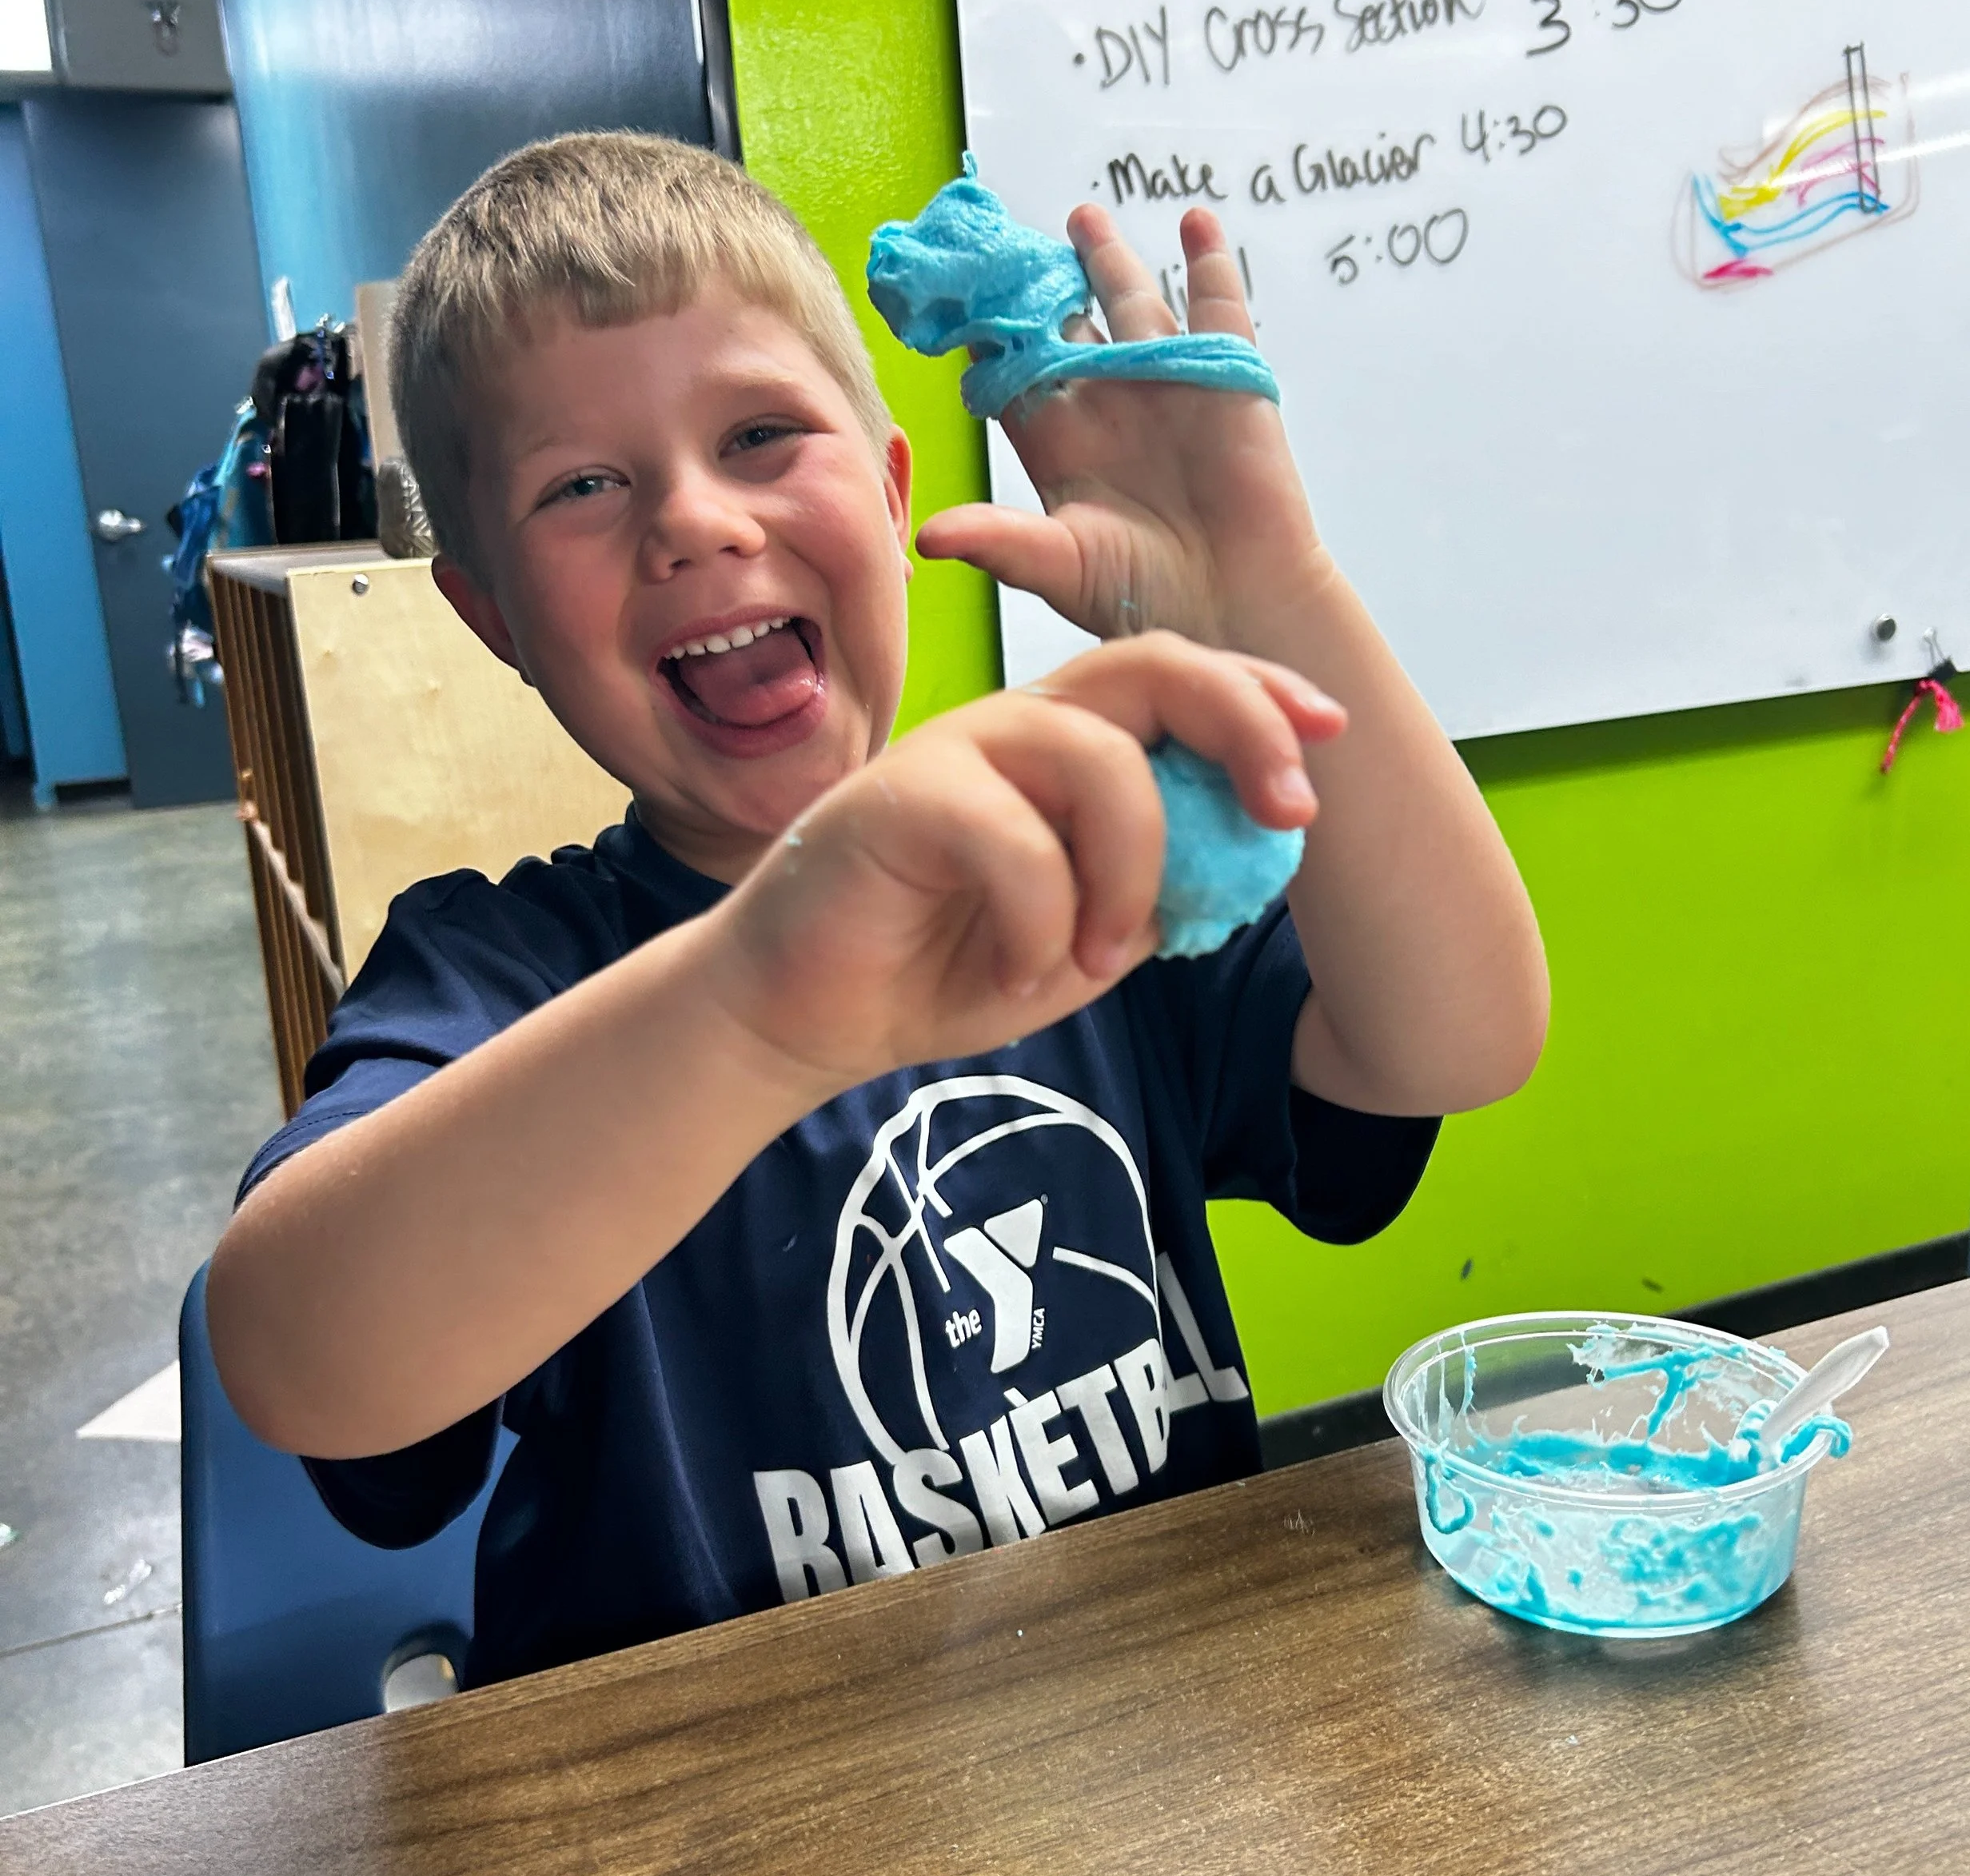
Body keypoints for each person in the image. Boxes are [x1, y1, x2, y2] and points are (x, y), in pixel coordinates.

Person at [208, 133, 1547, 1686]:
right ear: (492, 612)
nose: (696, 521)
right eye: (581, 484)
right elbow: (303, 1358)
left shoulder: (1077, 845)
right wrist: (756, 1001)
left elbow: (1457, 1039)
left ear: (896, 482)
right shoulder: (497, 973)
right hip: (719, 1854)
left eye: (764, 434)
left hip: (1136, 1777)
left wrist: (1272, 585)